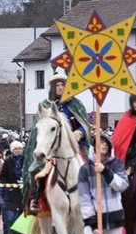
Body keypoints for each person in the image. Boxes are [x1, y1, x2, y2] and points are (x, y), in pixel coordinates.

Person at [26, 73, 90, 213]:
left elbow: (85, 125)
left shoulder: (76, 105)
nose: (60, 88)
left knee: (90, 166)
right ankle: (35, 199)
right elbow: (41, 127)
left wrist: (79, 133)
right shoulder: (45, 105)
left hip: (74, 145)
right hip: (51, 146)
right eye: (57, 86)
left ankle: (93, 197)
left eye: (62, 85)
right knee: (35, 169)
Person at [0, 140, 26, 234]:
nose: (18, 151)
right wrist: (8, 187)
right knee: (10, 219)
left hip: (23, 195)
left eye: (19, 148)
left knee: (22, 220)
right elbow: (2, 177)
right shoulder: (8, 162)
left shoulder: (26, 161)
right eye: (15, 149)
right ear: (12, 151)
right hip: (11, 194)